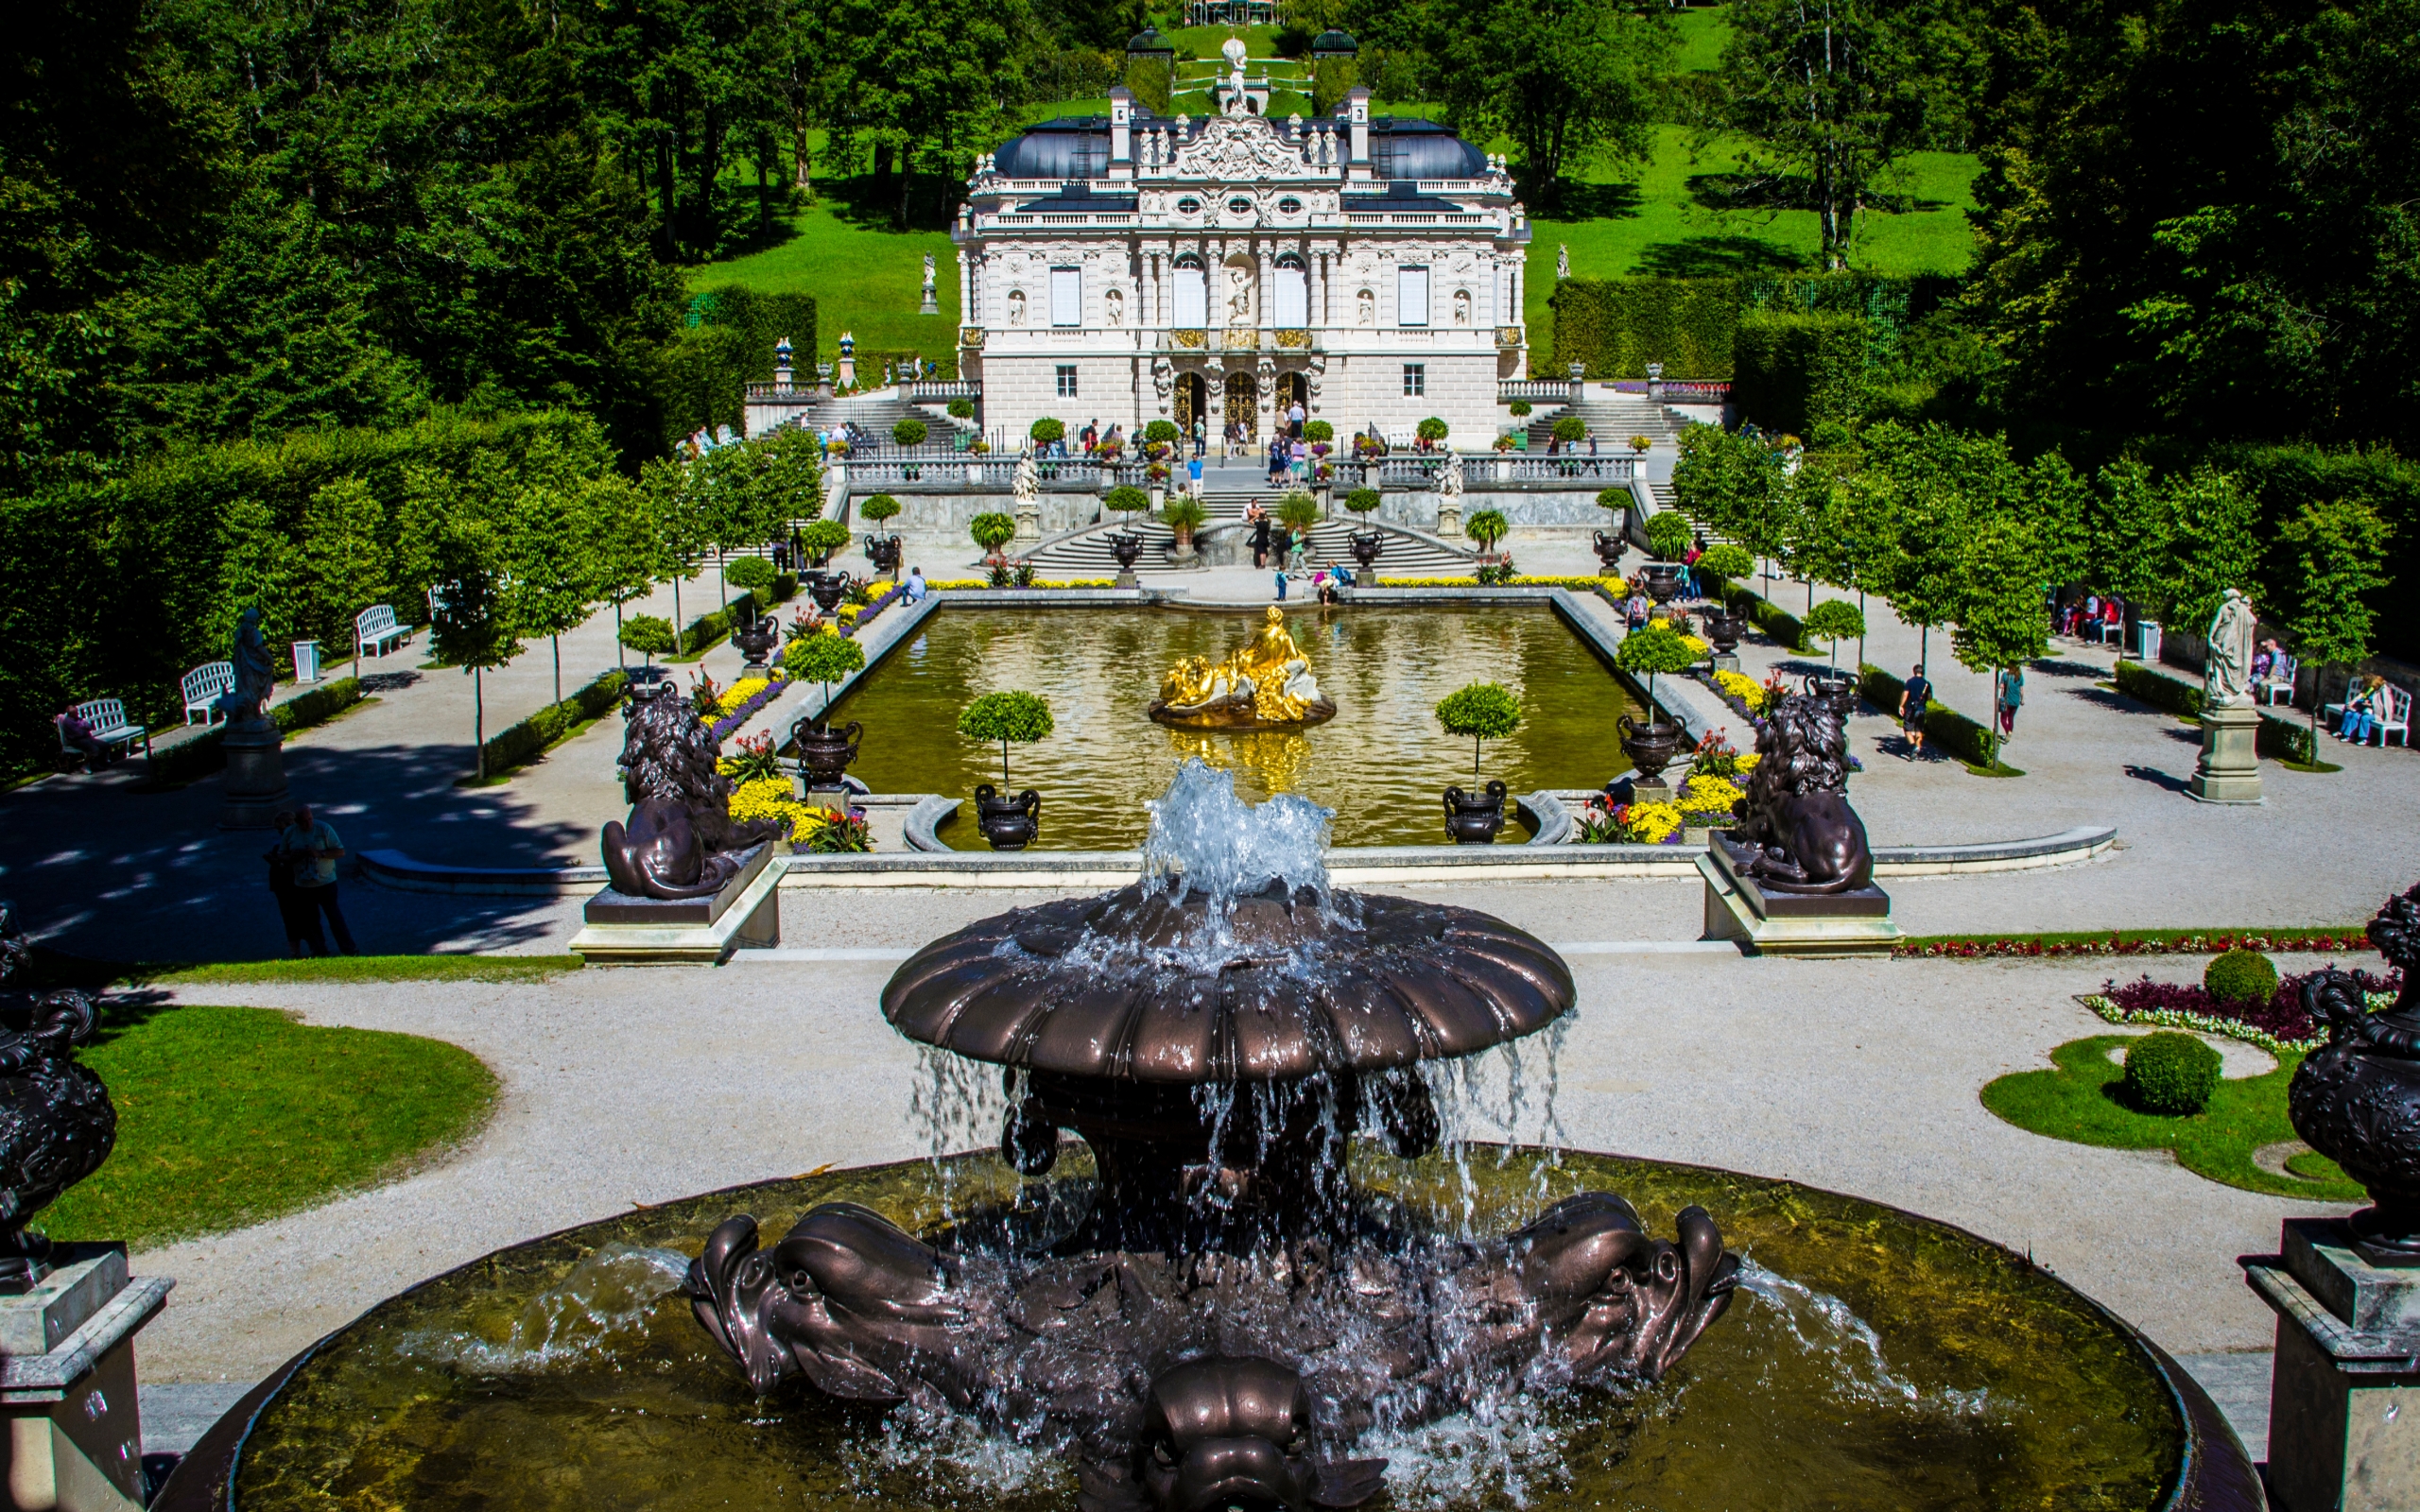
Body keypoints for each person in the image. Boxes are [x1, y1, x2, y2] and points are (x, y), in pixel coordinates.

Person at [280, 803, 357, 954]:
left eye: (310, 819)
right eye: (304, 821)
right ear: (296, 821)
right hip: (303, 885)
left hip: (326, 882)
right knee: (310, 920)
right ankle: (319, 951)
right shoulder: (289, 833)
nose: (309, 823)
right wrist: (292, 857)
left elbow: (340, 851)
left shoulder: (323, 828)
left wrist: (320, 853)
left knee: (334, 917)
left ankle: (349, 949)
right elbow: (282, 855)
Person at [264, 808, 315, 956]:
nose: (280, 832)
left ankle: (312, 946)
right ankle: (297, 949)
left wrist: (277, 861)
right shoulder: (283, 843)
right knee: (290, 918)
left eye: (282, 828)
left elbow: (293, 861)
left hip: (294, 883)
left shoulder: (297, 841)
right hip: (283, 885)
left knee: (304, 917)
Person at [54, 704, 111, 772]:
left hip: (86, 738)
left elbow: (89, 726)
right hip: (76, 741)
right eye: (76, 713)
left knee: (106, 745)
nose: (78, 714)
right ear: (71, 714)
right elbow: (78, 733)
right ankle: (84, 766)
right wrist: (84, 728)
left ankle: (97, 764)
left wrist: (83, 728)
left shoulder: (77, 719)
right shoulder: (68, 722)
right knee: (94, 749)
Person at [2339, 675, 2388, 742]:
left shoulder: (2383, 691)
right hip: (2369, 710)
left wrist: (2370, 705)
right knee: (2355, 715)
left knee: (2365, 718)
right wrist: (2367, 703)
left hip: (2377, 713)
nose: (2373, 687)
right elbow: (2367, 698)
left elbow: (2382, 706)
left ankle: (2365, 738)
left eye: (2374, 686)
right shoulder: (2374, 690)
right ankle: (2349, 735)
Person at [1900, 663, 1934, 759]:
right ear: (1922, 672)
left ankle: (1913, 746)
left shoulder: (1910, 682)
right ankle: (1917, 750)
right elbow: (1930, 697)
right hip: (1921, 710)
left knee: (1907, 729)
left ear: (1914, 671)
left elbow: (1905, 694)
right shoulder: (1927, 684)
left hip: (1911, 710)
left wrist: (1901, 705)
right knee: (1919, 730)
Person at [1996, 664, 2024, 738]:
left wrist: (2001, 685)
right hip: (2016, 701)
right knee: (2011, 718)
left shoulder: (2005, 675)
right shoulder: (2020, 676)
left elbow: (2001, 686)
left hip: (2007, 701)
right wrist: (2022, 700)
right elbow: (2021, 690)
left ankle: (2008, 732)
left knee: (2003, 719)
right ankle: (2009, 733)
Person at [1250, 503, 1271, 569]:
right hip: (1265, 539)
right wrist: (1266, 516)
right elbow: (1270, 520)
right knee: (1264, 552)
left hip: (1260, 539)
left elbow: (1250, 521)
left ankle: (1262, 564)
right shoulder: (1266, 523)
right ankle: (1264, 564)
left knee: (1261, 552)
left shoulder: (1258, 524)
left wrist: (1256, 517)